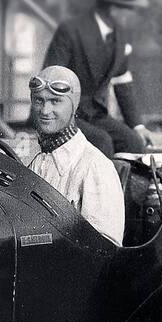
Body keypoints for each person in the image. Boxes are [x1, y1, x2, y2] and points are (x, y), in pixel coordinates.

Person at [44, 0, 155, 158]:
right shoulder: (71, 31)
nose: (133, 15)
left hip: (95, 115)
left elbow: (122, 82)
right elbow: (50, 80)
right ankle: (98, 189)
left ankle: (121, 189)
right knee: (101, 142)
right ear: (114, 9)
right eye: (131, 9)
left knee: (133, 143)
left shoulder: (120, 36)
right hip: (62, 115)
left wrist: (137, 125)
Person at [26, 65, 125, 246]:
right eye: (39, 100)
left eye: (55, 101)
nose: (45, 110)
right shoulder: (35, 161)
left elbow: (104, 250)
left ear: (74, 107)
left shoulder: (95, 166)